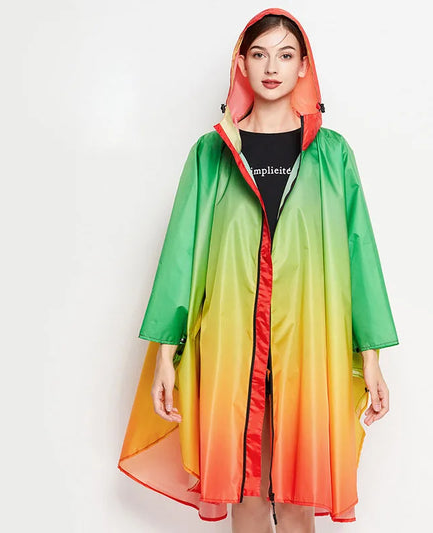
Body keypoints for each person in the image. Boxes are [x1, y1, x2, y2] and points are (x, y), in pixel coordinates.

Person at [118, 7, 399, 532]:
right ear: (242, 64)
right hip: (229, 346)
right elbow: (182, 253)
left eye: (286, 55)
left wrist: (372, 357)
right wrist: (164, 355)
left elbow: (359, 252)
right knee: (244, 492)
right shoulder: (212, 153)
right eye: (260, 54)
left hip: (308, 343)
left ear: (303, 66)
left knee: (297, 499)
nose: (272, 67)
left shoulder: (332, 154)